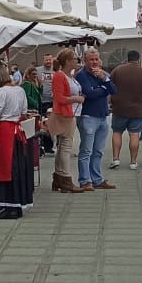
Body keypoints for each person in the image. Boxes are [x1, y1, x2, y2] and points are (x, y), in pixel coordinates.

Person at [0, 70, 33, 218]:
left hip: (6, 131)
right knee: (17, 167)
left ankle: (8, 205)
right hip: (17, 130)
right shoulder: (20, 90)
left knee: (6, 168)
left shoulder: (1, 92)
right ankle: (17, 203)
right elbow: (24, 113)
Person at [75, 48, 116, 191]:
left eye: (96, 59)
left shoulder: (103, 74)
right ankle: (85, 180)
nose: (94, 62)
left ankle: (97, 179)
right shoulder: (81, 75)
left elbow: (114, 90)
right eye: (91, 59)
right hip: (88, 116)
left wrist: (104, 80)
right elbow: (89, 93)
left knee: (98, 151)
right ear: (85, 61)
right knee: (86, 150)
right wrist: (104, 89)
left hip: (103, 116)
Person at [107, 49, 142, 171]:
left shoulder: (117, 70)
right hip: (139, 109)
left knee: (117, 132)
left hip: (119, 107)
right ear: (139, 59)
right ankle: (133, 162)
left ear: (127, 58)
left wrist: (110, 102)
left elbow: (109, 88)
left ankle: (116, 159)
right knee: (134, 134)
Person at [48, 49, 84, 193]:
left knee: (64, 146)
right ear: (67, 61)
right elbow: (59, 98)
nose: (77, 61)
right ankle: (65, 178)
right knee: (65, 146)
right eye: (75, 58)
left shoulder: (69, 76)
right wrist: (76, 99)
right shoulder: (59, 76)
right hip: (64, 114)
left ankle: (59, 177)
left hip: (70, 113)